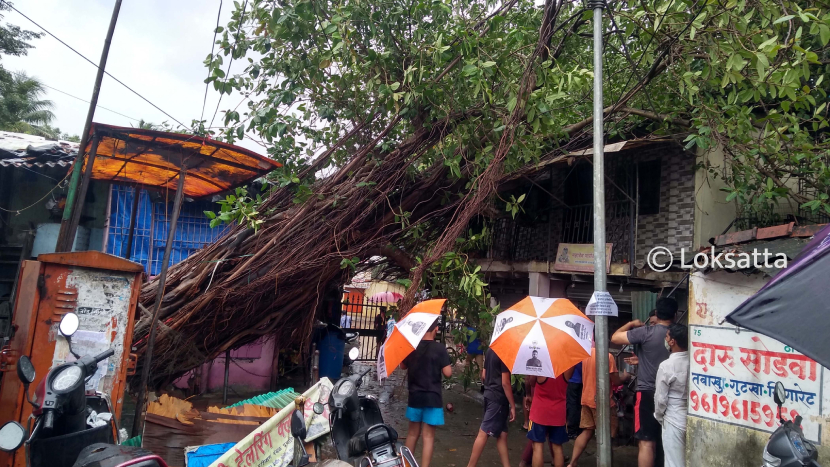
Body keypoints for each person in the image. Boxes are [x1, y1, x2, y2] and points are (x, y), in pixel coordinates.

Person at [611, 296, 677, 467]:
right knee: (670, 442)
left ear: (656, 313)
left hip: (648, 393)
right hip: (674, 395)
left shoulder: (646, 332)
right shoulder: (679, 334)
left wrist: (631, 324)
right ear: (675, 314)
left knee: (647, 442)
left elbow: (615, 338)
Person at [400, 320, 452, 467]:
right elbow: (448, 373)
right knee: (428, 437)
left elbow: (402, 366)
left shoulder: (412, 347)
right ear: (435, 328)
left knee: (412, 434)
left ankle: (406, 465)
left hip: (415, 396)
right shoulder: (439, 348)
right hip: (432, 398)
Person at [567, 346, 621, 467]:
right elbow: (616, 381)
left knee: (587, 431)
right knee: (609, 435)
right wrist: (625, 377)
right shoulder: (608, 356)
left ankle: (572, 463)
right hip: (602, 401)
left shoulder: (586, 354)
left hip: (586, 398)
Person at [465, 348, 516, 467]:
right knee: (483, 433)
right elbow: (505, 382)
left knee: (502, 434)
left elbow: (484, 375)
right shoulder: (504, 353)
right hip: (498, 398)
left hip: (489, 394)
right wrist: (512, 405)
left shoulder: (490, 349)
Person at [525, 366, 575, 467]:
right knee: (557, 446)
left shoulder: (542, 363)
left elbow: (531, 382)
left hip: (539, 412)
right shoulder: (568, 365)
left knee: (537, 446)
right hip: (559, 412)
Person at [654, 324, 689, 467]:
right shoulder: (694, 361)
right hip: (690, 416)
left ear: (672, 341)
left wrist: (659, 416)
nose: (665, 339)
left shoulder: (666, 365)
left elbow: (660, 399)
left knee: (673, 461)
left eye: (667, 336)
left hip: (673, 418)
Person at [566, 362, 583, 438]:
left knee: (572, 405)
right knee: (578, 405)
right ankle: (578, 428)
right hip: (580, 380)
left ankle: (572, 430)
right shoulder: (582, 353)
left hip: (573, 380)